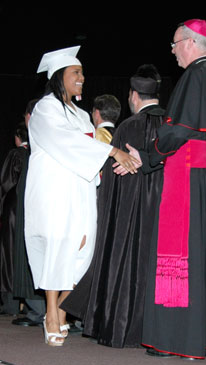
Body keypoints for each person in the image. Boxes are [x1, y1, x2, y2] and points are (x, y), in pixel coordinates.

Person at [123, 19, 206, 359]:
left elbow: (177, 133)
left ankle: (179, 341)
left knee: (183, 256)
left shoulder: (196, 75)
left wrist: (148, 157)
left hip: (187, 177)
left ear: (190, 42)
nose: (173, 51)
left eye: (175, 44)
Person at [24, 45, 139, 347]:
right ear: (59, 76)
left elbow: (86, 148)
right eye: (76, 73)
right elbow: (65, 141)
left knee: (84, 254)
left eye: (83, 73)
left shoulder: (81, 114)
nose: (82, 78)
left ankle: (63, 306)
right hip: (54, 190)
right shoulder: (46, 108)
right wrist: (111, 149)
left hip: (81, 189)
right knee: (57, 247)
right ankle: (52, 313)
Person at [61, 64, 165, 348]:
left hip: (129, 218)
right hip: (164, 214)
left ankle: (122, 325)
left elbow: (112, 186)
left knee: (127, 264)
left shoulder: (128, 127)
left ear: (133, 95)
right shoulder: (172, 126)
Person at [11, 99, 46, 328]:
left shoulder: (37, 145)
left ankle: (37, 312)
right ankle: (41, 310)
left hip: (34, 206)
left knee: (32, 254)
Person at [0, 123, 29, 315]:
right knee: (26, 255)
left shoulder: (16, 154)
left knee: (8, 255)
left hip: (14, 209)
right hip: (32, 208)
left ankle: (9, 303)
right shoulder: (36, 153)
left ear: (18, 138)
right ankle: (28, 303)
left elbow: (5, 182)